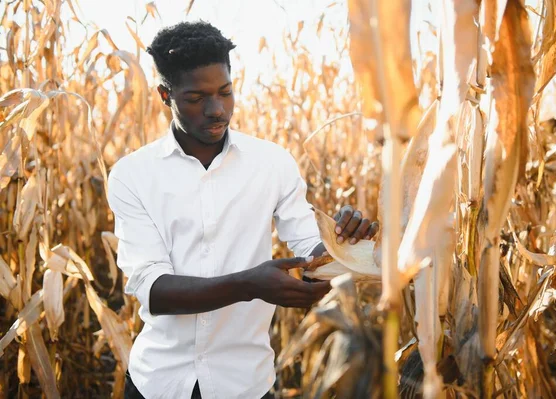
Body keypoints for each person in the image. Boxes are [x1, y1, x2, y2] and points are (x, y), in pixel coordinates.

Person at [106, 20, 379, 399]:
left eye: (225, 92)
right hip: (159, 382)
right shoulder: (131, 175)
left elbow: (308, 247)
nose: (217, 110)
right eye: (196, 99)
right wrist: (249, 285)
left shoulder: (272, 163)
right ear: (165, 95)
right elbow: (155, 291)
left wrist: (343, 245)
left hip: (245, 384)